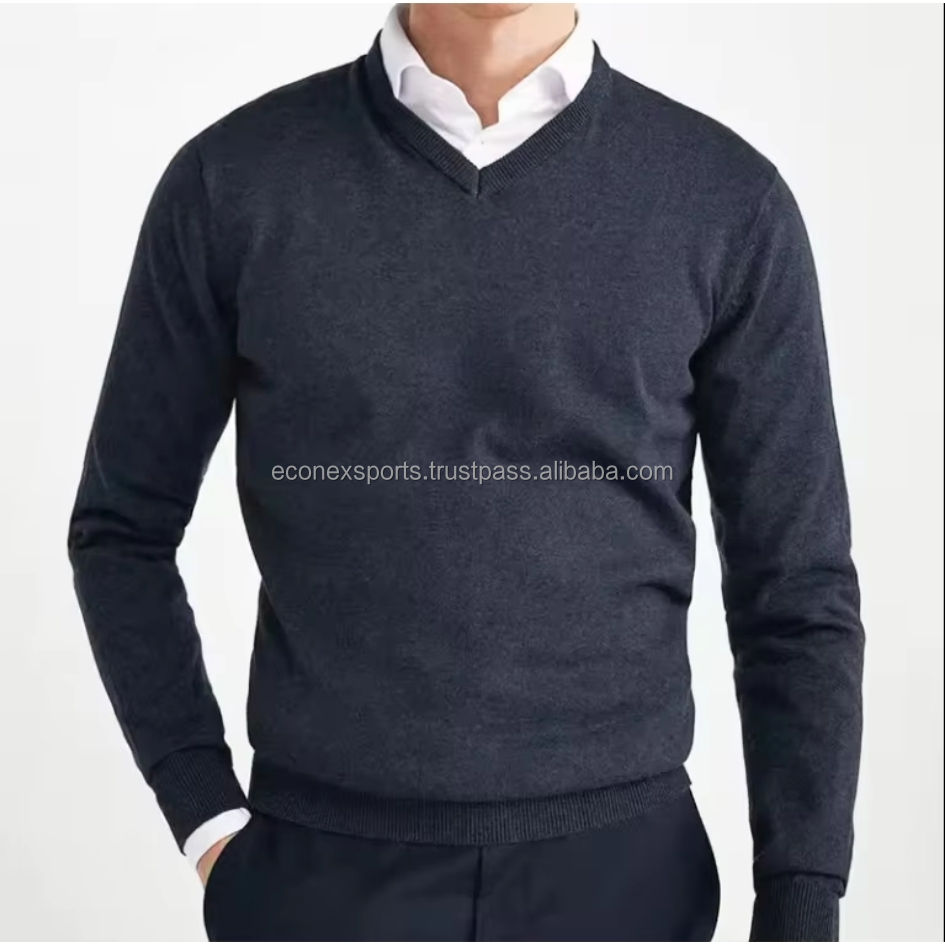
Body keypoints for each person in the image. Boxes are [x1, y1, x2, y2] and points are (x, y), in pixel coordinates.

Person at [68, 3, 864, 941]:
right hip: (317, 875)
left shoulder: (724, 199)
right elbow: (121, 530)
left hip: (626, 878)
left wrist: (802, 901)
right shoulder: (234, 181)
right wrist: (204, 811)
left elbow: (795, 587)